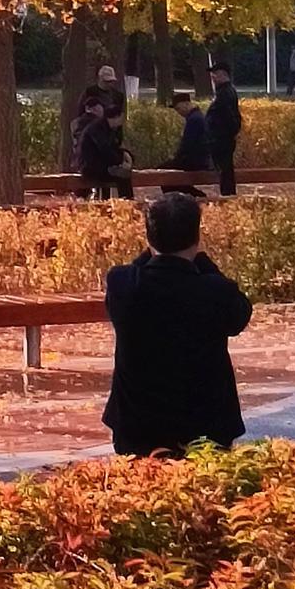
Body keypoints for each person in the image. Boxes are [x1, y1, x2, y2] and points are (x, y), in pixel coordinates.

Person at [103, 194, 253, 457]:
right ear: (196, 236)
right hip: (206, 427)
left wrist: (155, 252)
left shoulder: (123, 284)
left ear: (149, 237)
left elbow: (136, 267)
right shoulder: (216, 291)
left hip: (137, 428)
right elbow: (239, 315)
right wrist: (202, 261)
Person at [79, 105, 135, 200]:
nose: (122, 121)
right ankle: (126, 203)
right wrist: (120, 161)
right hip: (92, 167)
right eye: (121, 118)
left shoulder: (113, 129)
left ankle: (127, 203)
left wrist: (126, 155)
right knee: (122, 176)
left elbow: (115, 147)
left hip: (105, 165)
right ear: (114, 117)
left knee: (124, 175)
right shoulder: (96, 129)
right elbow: (105, 150)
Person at [205, 63, 242, 197]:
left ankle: (227, 197)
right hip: (222, 138)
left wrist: (219, 135)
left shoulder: (225, 93)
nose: (212, 77)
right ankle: (228, 195)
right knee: (225, 170)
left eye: (215, 74)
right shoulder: (224, 91)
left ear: (222, 74)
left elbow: (229, 117)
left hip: (221, 139)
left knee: (224, 171)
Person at [164, 93, 210, 192]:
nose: (178, 112)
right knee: (165, 173)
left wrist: (176, 159)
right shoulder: (196, 117)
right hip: (198, 158)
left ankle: (194, 195)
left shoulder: (194, 120)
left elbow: (188, 145)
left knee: (164, 174)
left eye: (178, 108)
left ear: (186, 104)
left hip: (196, 161)